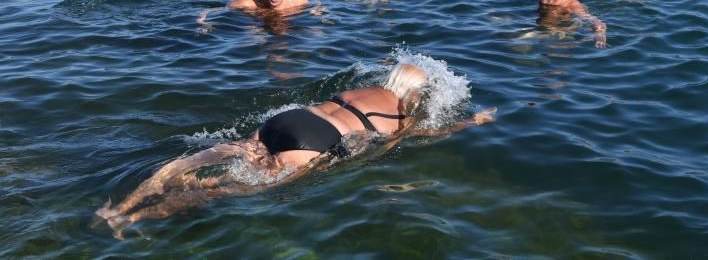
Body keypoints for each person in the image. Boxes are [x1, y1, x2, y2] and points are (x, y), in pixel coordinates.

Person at [95, 63, 495, 238]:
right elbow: (424, 134)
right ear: (415, 93)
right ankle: (134, 220)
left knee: (203, 158)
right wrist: (470, 123)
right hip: (314, 142)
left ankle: (121, 204)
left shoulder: (363, 88)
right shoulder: (401, 113)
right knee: (233, 187)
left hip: (289, 119)